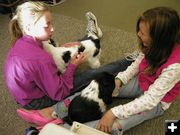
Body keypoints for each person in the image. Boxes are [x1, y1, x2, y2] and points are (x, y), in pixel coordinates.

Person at [4, 1, 133, 127]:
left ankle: (92, 35)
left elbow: (45, 55)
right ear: (28, 27)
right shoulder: (41, 60)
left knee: (73, 48)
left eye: (51, 23)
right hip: (37, 101)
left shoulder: (21, 41)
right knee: (94, 75)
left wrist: (61, 49)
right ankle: (130, 60)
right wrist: (72, 66)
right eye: (46, 25)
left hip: (25, 94)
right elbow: (59, 92)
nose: (52, 28)